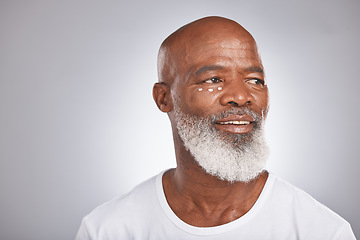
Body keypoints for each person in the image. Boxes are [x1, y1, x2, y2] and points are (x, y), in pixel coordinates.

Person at [75, 16, 356, 239]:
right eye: (212, 79)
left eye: (255, 80)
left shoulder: (322, 231)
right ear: (164, 98)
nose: (242, 96)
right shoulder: (108, 230)